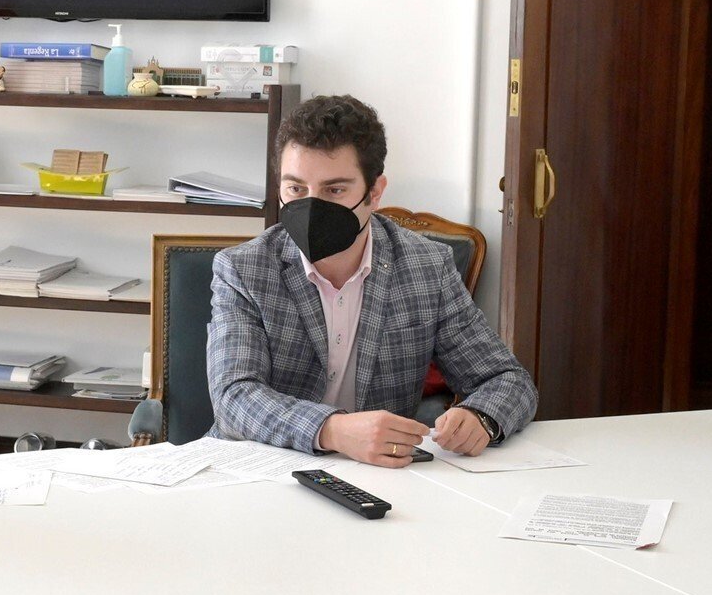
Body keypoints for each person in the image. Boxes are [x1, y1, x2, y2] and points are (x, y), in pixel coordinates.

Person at [207, 94, 537, 466]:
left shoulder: (427, 267)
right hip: (260, 469)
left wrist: (482, 417)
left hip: (378, 475)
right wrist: (331, 430)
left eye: (334, 190)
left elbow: (507, 379)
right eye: (296, 189)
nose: (312, 206)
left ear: (375, 192)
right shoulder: (243, 269)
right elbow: (234, 396)